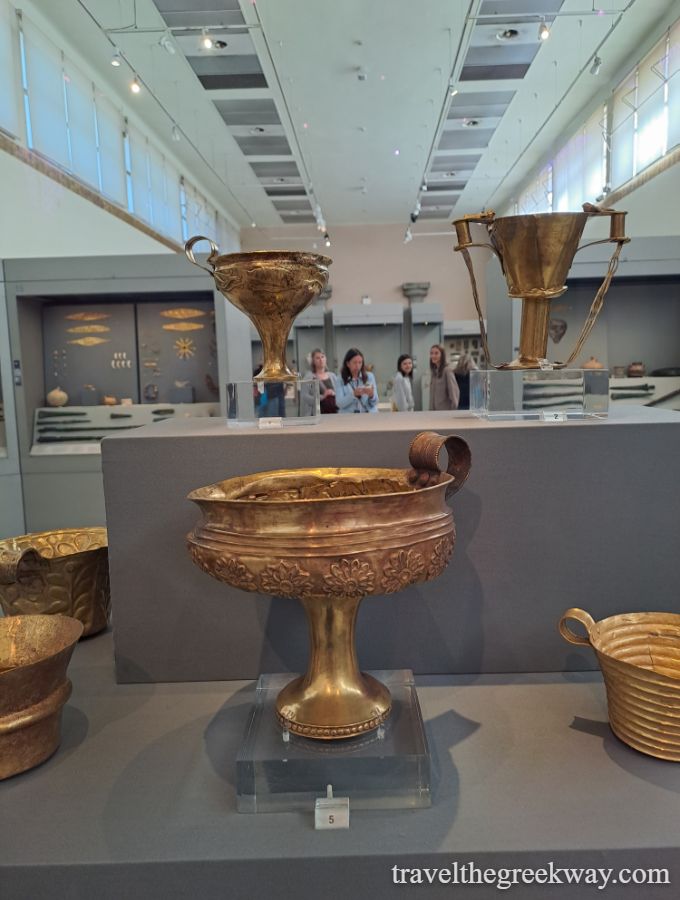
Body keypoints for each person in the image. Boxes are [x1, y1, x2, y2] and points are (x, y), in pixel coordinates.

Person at [336, 348, 379, 414]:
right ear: (348, 364)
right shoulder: (340, 379)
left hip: (368, 415)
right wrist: (353, 394)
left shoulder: (369, 376)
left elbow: (375, 402)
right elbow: (339, 403)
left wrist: (371, 395)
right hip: (348, 417)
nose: (357, 366)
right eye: (354, 362)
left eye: (360, 362)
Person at [302, 348, 338, 414]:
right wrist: (322, 397)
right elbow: (305, 396)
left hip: (333, 412)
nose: (321, 360)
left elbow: (339, 393)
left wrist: (332, 393)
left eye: (322, 357)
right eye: (318, 358)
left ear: (325, 359)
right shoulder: (309, 377)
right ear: (313, 361)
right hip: (316, 413)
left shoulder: (332, 376)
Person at [429, 344, 459, 411]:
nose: (433, 356)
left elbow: (453, 392)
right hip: (434, 412)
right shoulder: (434, 372)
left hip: (445, 412)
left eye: (436, 353)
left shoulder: (447, 371)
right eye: (431, 353)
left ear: (442, 355)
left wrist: (452, 411)